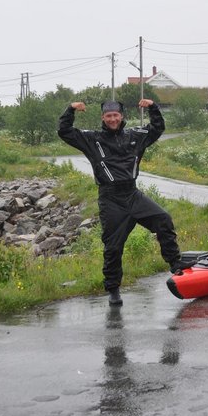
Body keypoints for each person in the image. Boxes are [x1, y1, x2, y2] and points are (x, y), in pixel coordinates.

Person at [58, 98, 193, 306]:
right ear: (103, 117)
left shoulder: (135, 136)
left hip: (132, 194)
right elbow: (65, 131)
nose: (113, 119)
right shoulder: (92, 139)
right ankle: (113, 289)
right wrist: (71, 109)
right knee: (113, 247)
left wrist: (153, 107)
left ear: (121, 117)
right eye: (109, 116)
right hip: (110, 199)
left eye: (116, 115)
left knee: (163, 219)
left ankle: (175, 263)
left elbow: (158, 128)